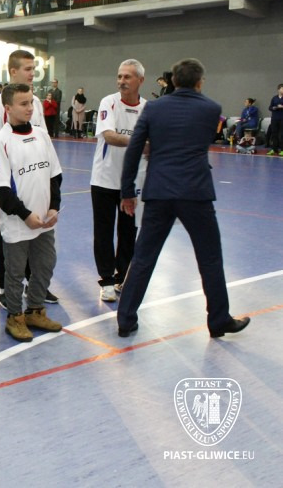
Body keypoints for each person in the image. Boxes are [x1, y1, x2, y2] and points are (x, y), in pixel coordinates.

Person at [117, 58, 250, 339]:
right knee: (210, 258)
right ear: (200, 82)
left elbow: (135, 149)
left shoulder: (153, 108)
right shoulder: (211, 109)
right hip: (195, 192)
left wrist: (127, 191)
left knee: (143, 258)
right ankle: (218, 320)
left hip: (159, 191)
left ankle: (125, 319)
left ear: (173, 81)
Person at [0, 84, 63, 342]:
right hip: (18, 223)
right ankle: (15, 317)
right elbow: (0, 189)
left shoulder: (42, 135)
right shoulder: (2, 142)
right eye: (23, 104)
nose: (30, 108)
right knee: (15, 273)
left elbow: (54, 175)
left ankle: (35, 311)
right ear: (8, 108)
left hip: (44, 221)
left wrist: (54, 207)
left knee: (44, 265)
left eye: (31, 102)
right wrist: (25, 215)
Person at [0, 49, 58, 308]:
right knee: (9, 234)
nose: (32, 73)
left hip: (36, 177)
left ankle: (36, 284)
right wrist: (11, 165)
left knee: (37, 237)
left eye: (34, 69)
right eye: (27, 69)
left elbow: (41, 136)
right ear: (13, 71)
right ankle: (6, 288)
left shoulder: (35, 102)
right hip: (12, 181)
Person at [91, 59, 147, 303]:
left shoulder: (148, 108)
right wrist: (140, 143)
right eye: (119, 76)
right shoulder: (109, 102)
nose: (121, 81)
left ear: (140, 80)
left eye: (127, 77)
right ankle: (106, 280)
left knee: (128, 233)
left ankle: (122, 277)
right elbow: (109, 136)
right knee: (103, 233)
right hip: (104, 179)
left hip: (132, 184)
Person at [266, 84, 283, 155]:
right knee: (274, 134)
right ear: (278, 89)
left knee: (281, 134)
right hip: (274, 118)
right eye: (282, 89)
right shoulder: (274, 98)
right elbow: (270, 107)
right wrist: (274, 107)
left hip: (282, 118)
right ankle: (274, 149)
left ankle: (282, 150)